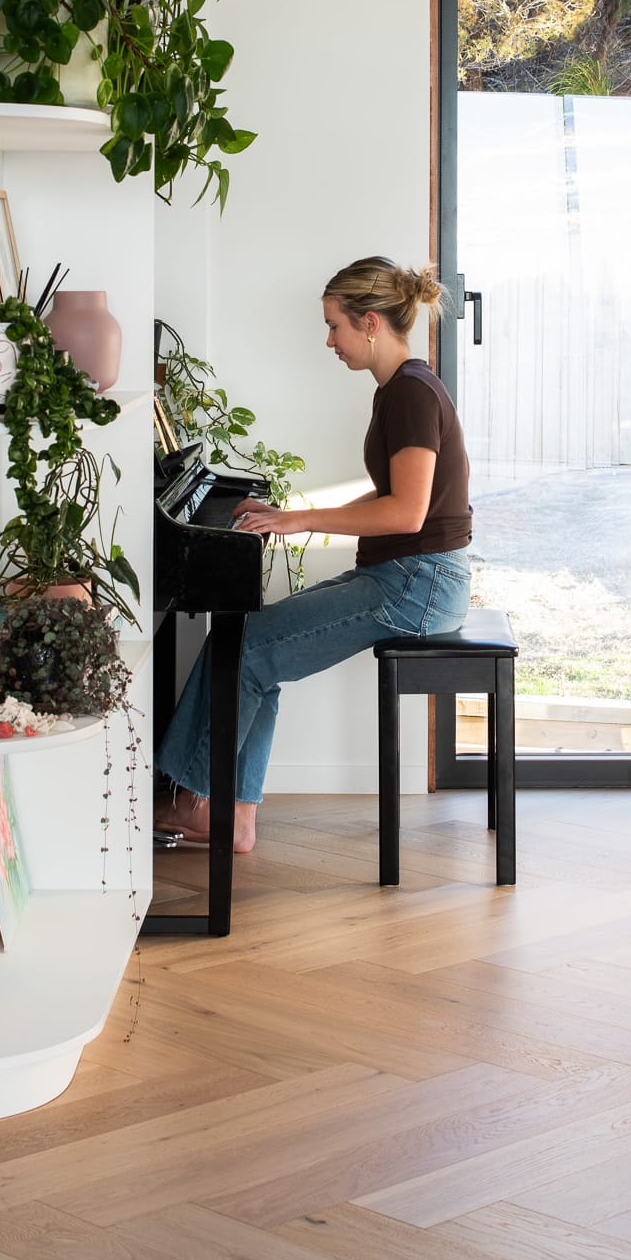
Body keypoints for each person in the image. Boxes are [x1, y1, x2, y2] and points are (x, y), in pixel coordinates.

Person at [155, 255, 473, 852]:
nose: (329, 340)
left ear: (371, 323)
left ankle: (201, 802)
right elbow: (397, 493)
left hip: (417, 585)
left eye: (336, 326)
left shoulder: (408, 394)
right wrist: (289, 512)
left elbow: (406, 512)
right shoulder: (403, 388)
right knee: (252, 641)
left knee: (247, 646)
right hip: (413, 577)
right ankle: (230, 813)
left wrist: (297, 520)